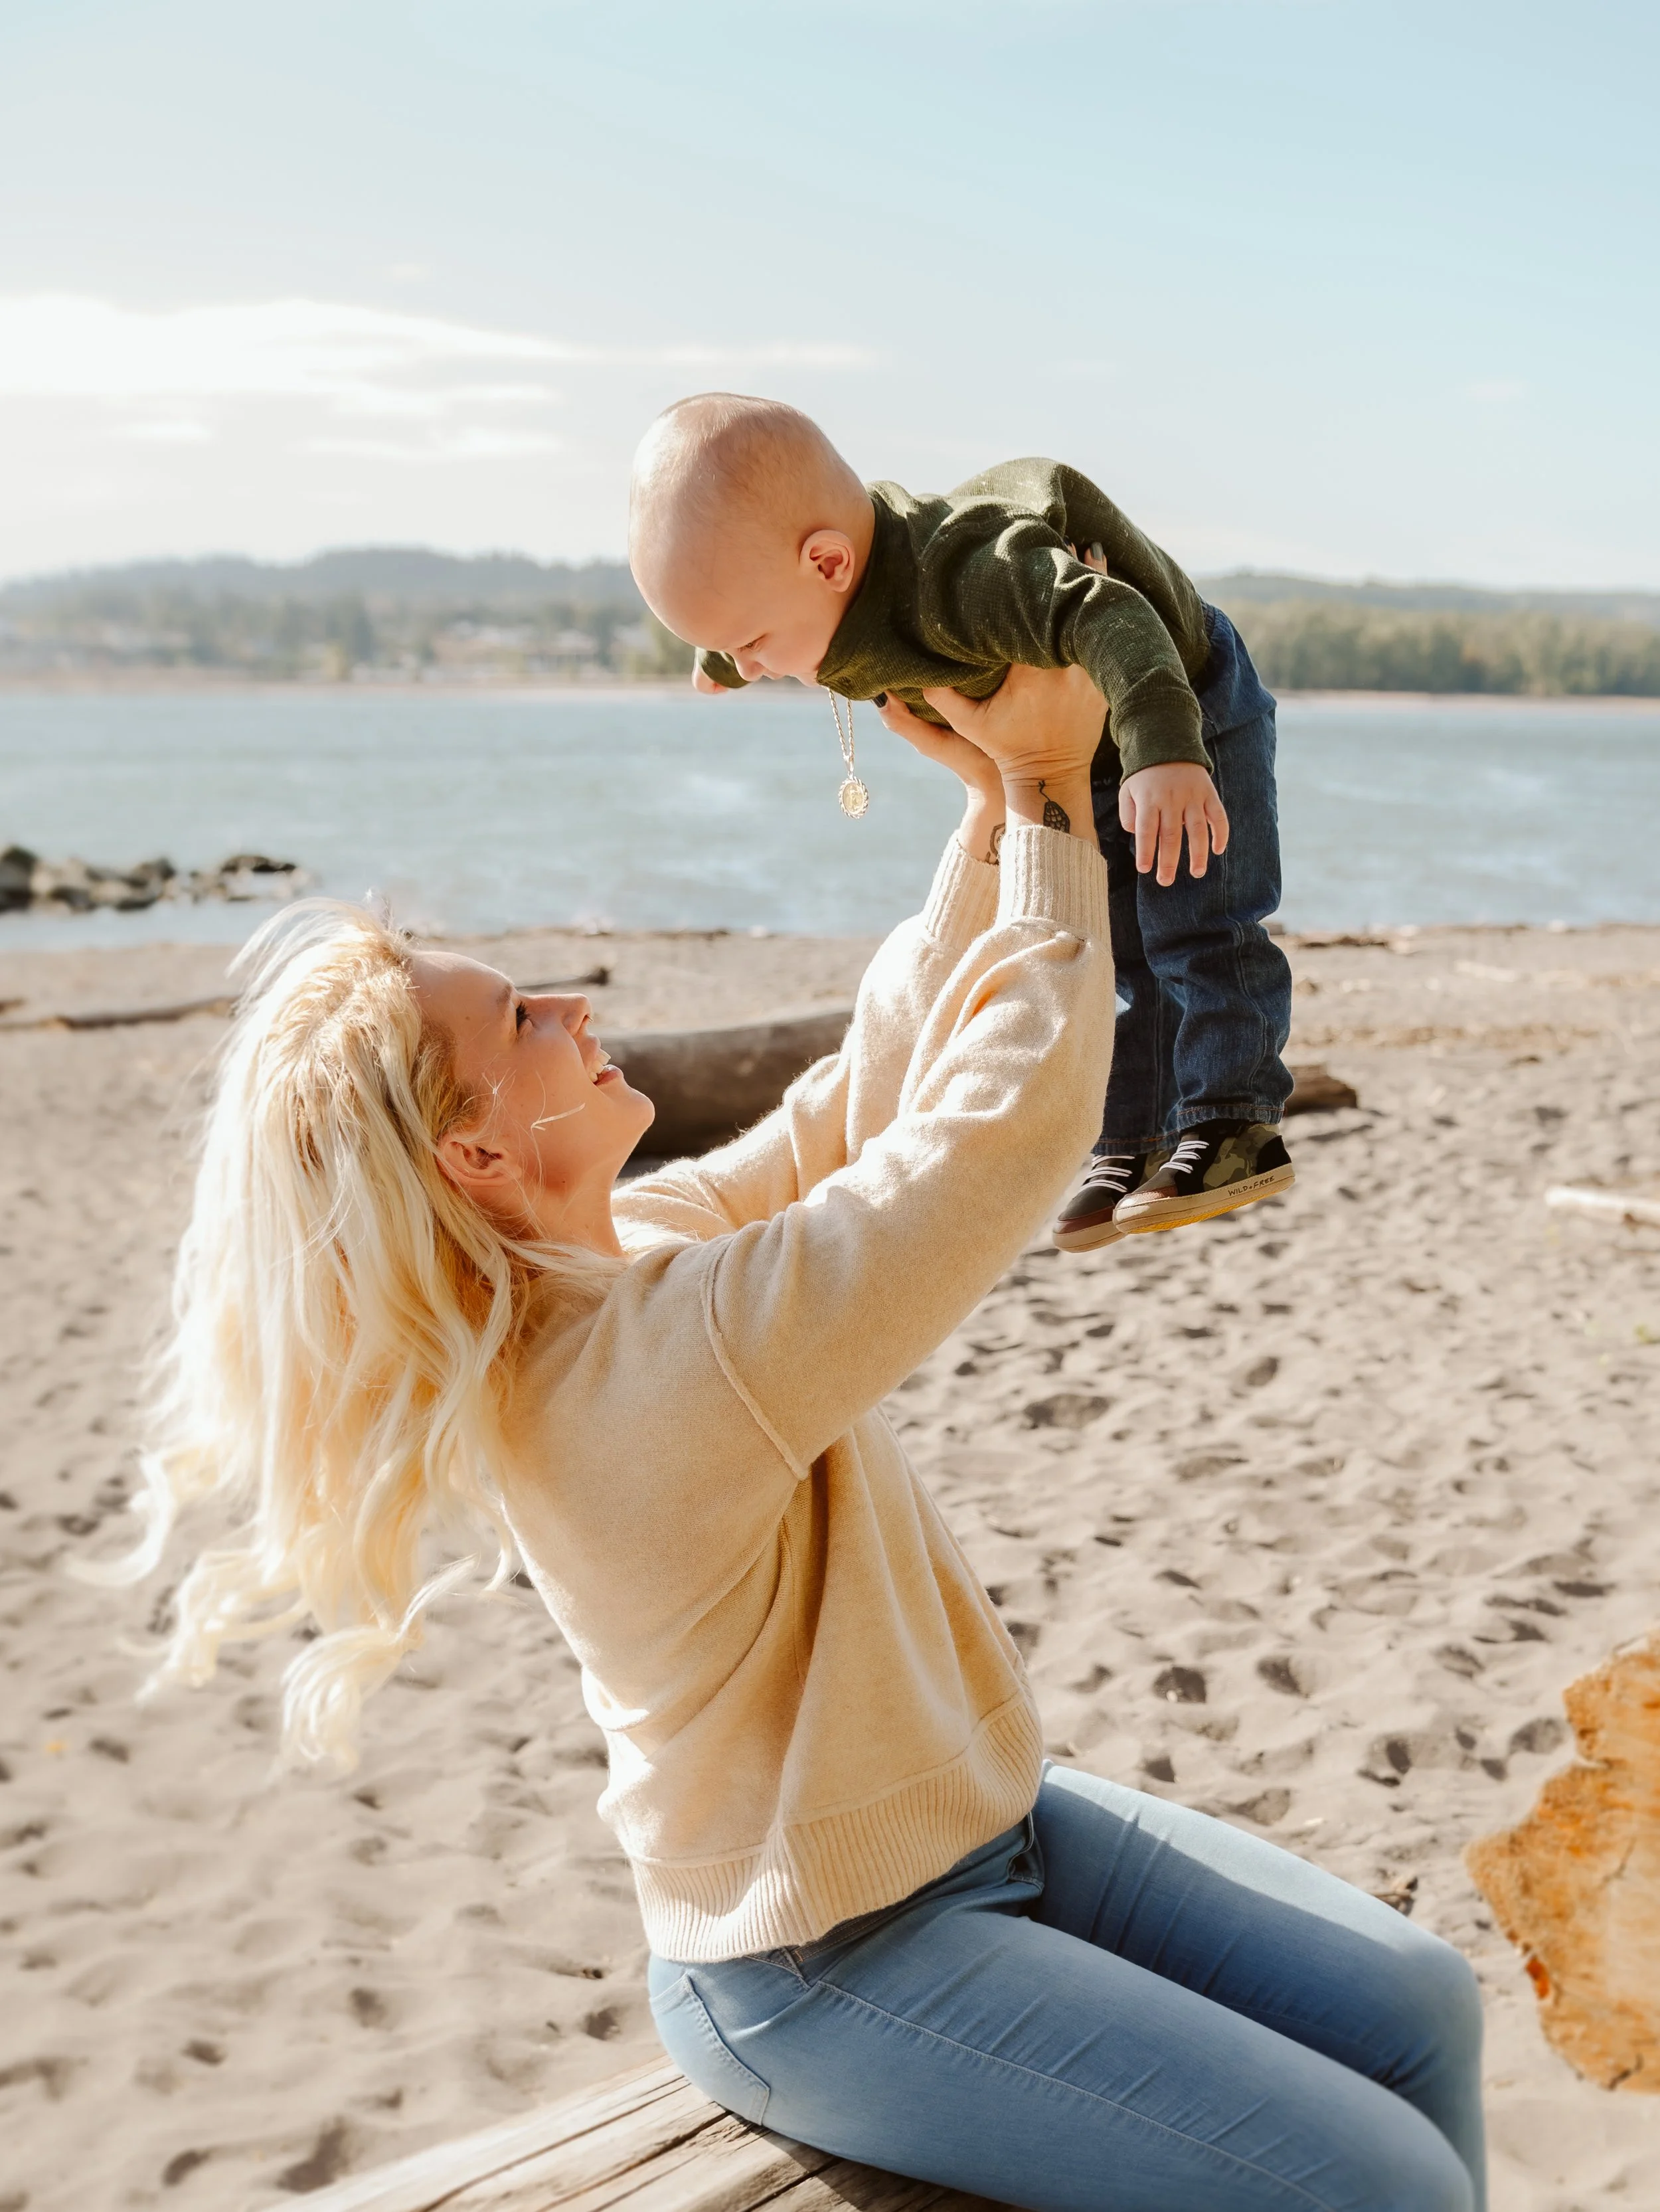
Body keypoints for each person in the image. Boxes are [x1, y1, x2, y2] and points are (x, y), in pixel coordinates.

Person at [95, 664, 1483, 2211]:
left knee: (1420, 2013)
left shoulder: (614, 1250)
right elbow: (991, 1141)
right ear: (475, 1149)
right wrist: (1058, 822)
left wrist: (992, 811)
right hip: (822, 1960)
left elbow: (847, 1110)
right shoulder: (651, 1375)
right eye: (522, 1019)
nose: (575, 1006)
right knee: (1382, 2189)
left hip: (977, 1814)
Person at [628, 392, 1296, 1252]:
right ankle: (1133, 1140)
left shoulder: (968, 576)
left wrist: (1168, 749)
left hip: (1181, 702)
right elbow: (746, 578)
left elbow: (1110, 614)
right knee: (1121, 949)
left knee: (1198, 922)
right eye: (730, 652)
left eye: (751, 643)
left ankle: (1234, 1116)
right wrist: (723, 643)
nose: (750, 668)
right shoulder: (815, 590)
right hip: (1084, 736)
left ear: (829, 564)